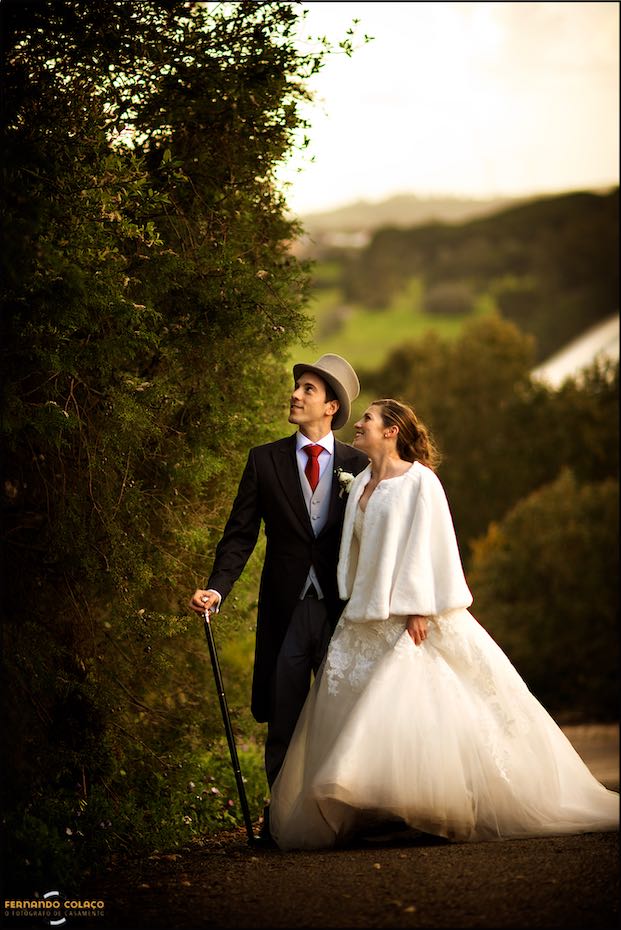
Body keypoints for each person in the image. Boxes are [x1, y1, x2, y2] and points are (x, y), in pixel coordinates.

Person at [269, 398, 620, 850]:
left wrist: (420, 607)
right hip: (364, 616)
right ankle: (378, 811)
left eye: (369, 419)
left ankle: (431, 807)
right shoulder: (357, 485)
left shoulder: (420, 482)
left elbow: (431, 545)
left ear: (392, 430)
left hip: (411, 615)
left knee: (411, 705)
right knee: (361, 711)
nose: (359, 425)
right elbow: (353, 553)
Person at [189, 354, 369, 840]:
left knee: (343, 717)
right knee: (284, 717)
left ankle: (342, 821)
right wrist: (218, 588)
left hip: (342, 612)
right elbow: (240, 535)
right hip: (285, 611)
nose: (295, 395)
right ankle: (283, 823)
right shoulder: (263, 459)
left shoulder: (360, 466)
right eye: (297, 387)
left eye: (308, 389)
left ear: (331, 406)